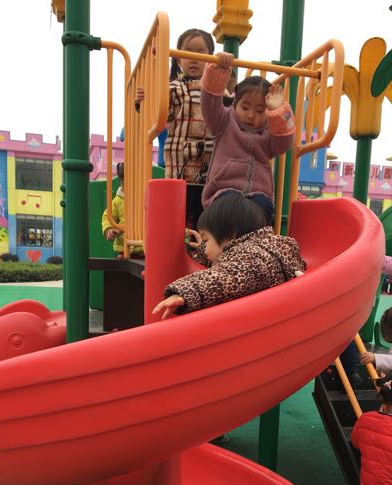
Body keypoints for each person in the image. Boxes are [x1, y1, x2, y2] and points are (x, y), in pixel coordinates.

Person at [152, 192, 306, 319]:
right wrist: (202, 248)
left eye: (206, 240)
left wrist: (186, 291)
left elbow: (225, 278)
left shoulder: (254, 260)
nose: (205, 249)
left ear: (230, 236)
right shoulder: (263, 251)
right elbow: (228, 262)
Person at [200, 52, 295, 223]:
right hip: (223, 191)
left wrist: (277, 111)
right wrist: (218, 71)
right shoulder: (223, 122)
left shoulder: (269, 131)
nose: (251, 115)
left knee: (263, 211)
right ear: (235, 103)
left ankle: (256, 240)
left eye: (260, 110)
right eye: (245, 107)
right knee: (231, 209)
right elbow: (209, 103)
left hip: (258, 194)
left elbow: (283, 144)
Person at [164, 28, 215, 184]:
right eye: (188, 52)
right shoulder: (174, 88)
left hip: (209, 166)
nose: (194, 58)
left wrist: (224, 64)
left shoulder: (216, 90)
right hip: (179, 163)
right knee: (178, 198)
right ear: (179, 60)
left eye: (200, 53)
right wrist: (143, 102)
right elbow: (156, 114)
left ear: (210, 60)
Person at [102, 162, 125, 257]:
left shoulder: (146, 198)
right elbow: (108, 216)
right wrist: (109, 229)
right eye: (124, 183)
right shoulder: (118, 200)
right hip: (124, 247)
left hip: (144, 247)